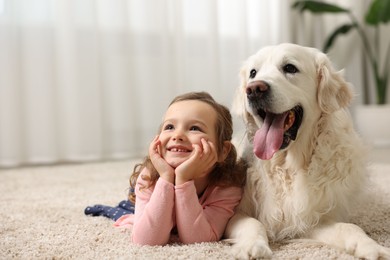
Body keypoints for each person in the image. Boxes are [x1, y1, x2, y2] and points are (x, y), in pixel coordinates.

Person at [114, 91, 247, 246]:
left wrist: (183, 179)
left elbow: (198, 240)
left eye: (195, 128)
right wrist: (165, 177)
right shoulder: (148, 178)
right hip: (153, 184)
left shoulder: (226, 186)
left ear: (223, 151)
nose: (177, 135)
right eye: (169, 126)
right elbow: (147, 241)